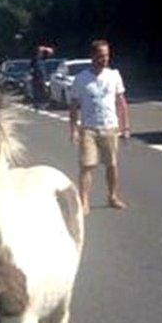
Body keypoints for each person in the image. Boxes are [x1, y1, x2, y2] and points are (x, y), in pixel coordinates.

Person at [69, 39, 131, 214]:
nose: (104, 59)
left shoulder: (114, 75)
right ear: (92, 56)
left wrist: (125, 127)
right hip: (88, 128)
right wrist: (73, 129)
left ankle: (112, 196)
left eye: (107, 56)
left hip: (110, 127)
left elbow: (122, 102)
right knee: (87, 166)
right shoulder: (81, 79)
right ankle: (84, 201)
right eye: (101, 56)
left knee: (111, 164)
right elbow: (74, 105)